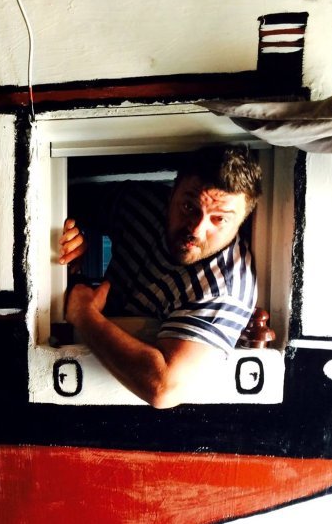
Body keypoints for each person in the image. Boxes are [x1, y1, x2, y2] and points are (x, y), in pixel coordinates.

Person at [58, 145, 261, 409]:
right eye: (189, 206)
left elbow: (163, 388)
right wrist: (74, 237)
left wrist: (84, 315)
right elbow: (65, 200)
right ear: (172, 192)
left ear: (241, 222)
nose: (197, 229)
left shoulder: (226, 288)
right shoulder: (142, 204)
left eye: (219, 219)